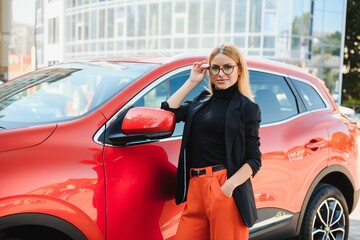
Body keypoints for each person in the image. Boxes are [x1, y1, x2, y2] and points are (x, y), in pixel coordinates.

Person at [161, 43, 262, 240]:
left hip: (223, 186)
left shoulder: (246, 108)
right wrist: (192, 81)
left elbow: (254, 159)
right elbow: (169, 110)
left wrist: (228, 187)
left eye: (227, 67)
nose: (220, 73)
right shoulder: (202, 100)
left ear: (239, 69)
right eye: (215, 67)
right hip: (195, 186)